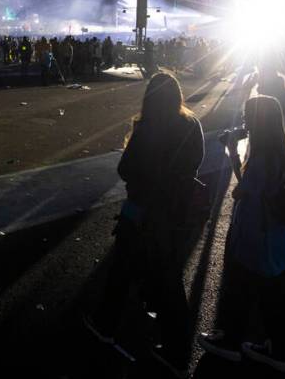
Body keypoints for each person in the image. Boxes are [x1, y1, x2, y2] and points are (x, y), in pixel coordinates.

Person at [85, 72, 204, 376]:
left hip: (141, 210)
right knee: (167, 276)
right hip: (176, 211)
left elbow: (125, 168)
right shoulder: (192, 124)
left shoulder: (148, 127)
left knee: (123, 270)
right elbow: (196, 162)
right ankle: (176, 346)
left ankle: (107, 326)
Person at [198, 94, 285, 373]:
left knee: (239, 293)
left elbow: (241, 191)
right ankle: (278, 350)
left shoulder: (262, 161)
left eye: (249, 118)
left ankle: (229, 344)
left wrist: (233, 152)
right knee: (275, 299)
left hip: (254, 241)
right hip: (280, 243)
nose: (246, 122)